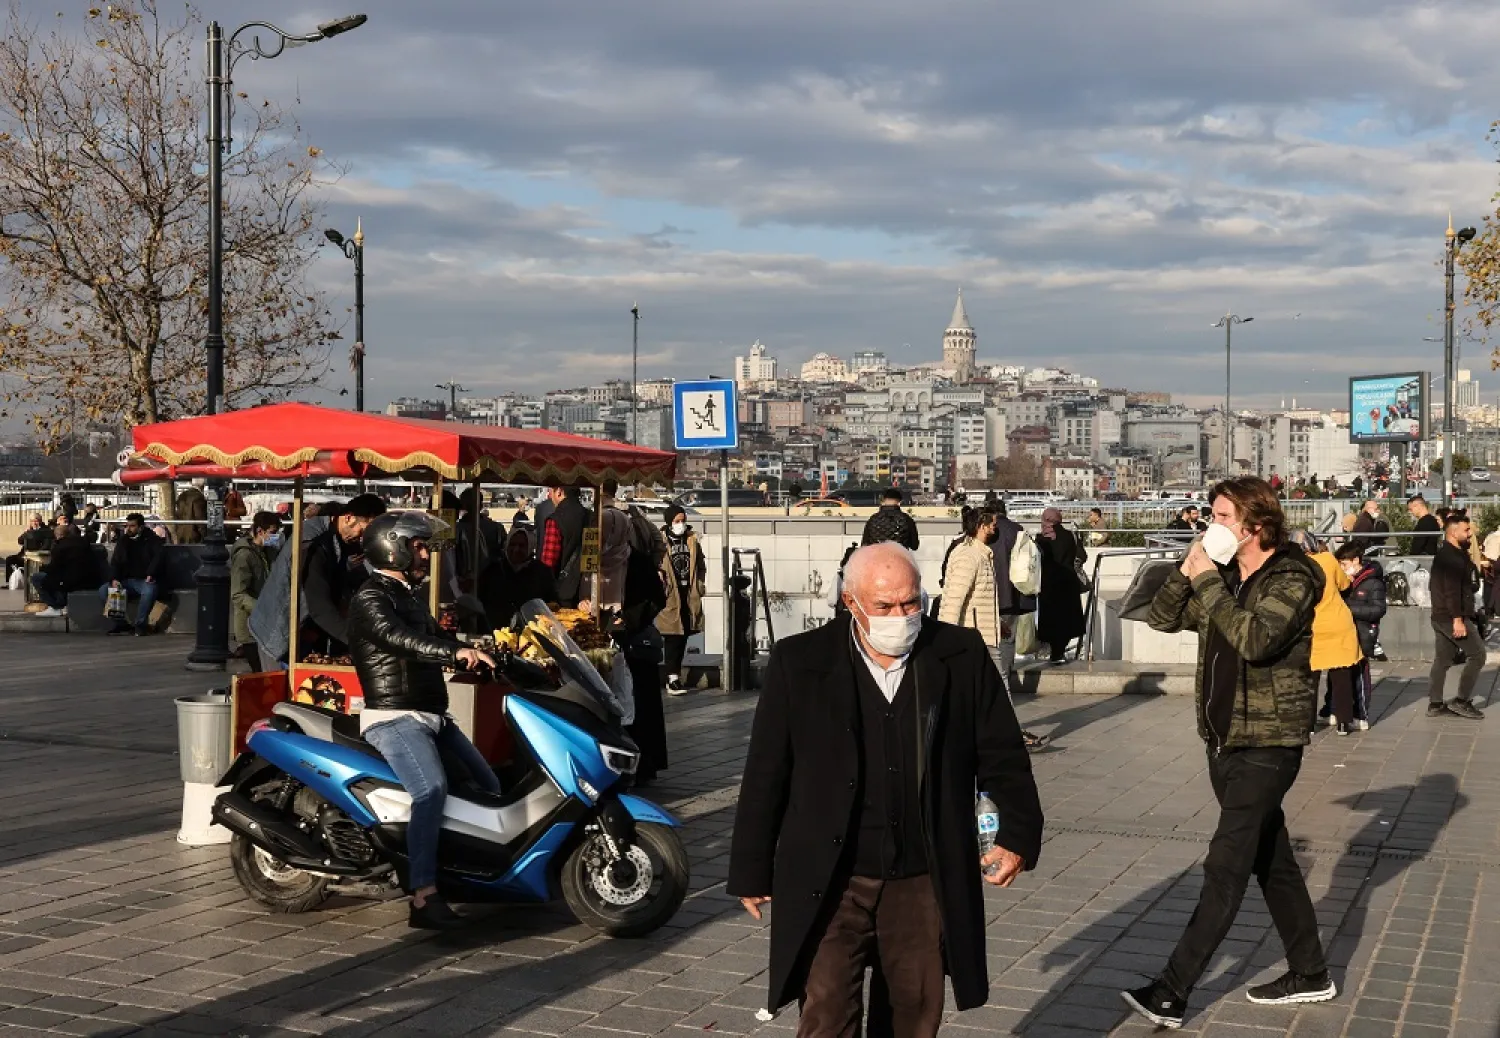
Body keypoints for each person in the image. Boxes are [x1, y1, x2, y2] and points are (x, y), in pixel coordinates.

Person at [727, 542, 1044, 1036]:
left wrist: (1017, 835)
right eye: (884, 606)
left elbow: (1002, 754)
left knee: (913, 1013)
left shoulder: (959, 656)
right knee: (827, 1011)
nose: (901, 615)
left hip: (922, 876)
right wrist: (750, 867)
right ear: (850, 602)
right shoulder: (801, 661)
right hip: (830, 877)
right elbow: (768, 770)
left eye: (910, 602)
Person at [1127, 476, 1333, 1027]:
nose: (1211, 524)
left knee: (1226, 866)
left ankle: (1171, 991)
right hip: (1224, 741)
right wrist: (1190, 566)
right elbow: (1163, 618)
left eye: (1220, 517)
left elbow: (1256, 639)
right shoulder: (1222, 574)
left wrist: (1211, 587)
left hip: (1269, 743)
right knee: (1274, 861)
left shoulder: (1291, 578)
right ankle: (1310, 973)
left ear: (1255, 526)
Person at [348, 511, 501, 930]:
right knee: (430, 789)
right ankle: (422, 894)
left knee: (488, 787)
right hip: (393, 715)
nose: (424, 555)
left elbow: (436, 638)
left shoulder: (409, 596)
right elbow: (399, 639)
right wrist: (453, 654)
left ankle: (467, 872)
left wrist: (482, 649)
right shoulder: (371, 598)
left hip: (432, 714)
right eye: (417, 546)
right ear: (392, 547)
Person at [939, 507, 1045, 750]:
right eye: (992, 524)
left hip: (984, 631)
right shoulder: (969, 556)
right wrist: (947, 637)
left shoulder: (979, 553)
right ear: (981, 526)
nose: (995, 528)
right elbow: (954, 599)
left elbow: (980, 599)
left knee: (988, 686)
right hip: (975, 635)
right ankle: (1009, 735)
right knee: (998, 683)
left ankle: (993, 734)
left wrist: (997, 624)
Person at [1292, 532, 1364, 737]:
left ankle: (1308, 724)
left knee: (1310, 678)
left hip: (1312, 626)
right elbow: (1344, 584)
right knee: (1341, 676)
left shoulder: (1295, 567)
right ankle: (1343, 723)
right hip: (1337, 622)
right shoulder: (1327, 559)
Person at [298, 495, 387, 658]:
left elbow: (353, 582)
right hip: (285, 632)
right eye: (362, 531)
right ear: (348, 518)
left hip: (314, 630)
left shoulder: (342, 541)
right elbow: (319, 605)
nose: (362, 539)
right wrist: (356, 640)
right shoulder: (314, 540)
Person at [1427, 512, 1486, 721]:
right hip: (1450, 616)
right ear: (1453, 532)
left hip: (1441, 615)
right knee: (1478, 655)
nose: (1470, 534)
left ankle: (1435, 703)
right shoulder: (1450, 557)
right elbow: (1450, 591)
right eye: (1466, 530)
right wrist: (1458, 620)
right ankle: (1461, 701)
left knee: (1443, 659)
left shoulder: (1451, 553)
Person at [1336, 541, 1384, 731]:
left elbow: (1378, 609)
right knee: (1341, 676)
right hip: (1344, 634)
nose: (1342, 569)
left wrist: (1348, 609)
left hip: (1363, 633)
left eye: (1344, 565)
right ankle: (1337, 711)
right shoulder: (1346, 582)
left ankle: (1361, 714)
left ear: (1356, 560)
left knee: (1360, 675)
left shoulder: (1373, 582)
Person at [658, 504, 705, 695]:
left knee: (684, 632)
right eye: (677, 521)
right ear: (669, 521)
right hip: (670, 594)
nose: (681, 524)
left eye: (683, 520)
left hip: (689, 592)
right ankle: (672, 678)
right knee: (672, 636)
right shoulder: (660, 541)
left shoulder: (692, 540)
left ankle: (675, 674)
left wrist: (700, 585)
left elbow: (701, 564)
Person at [990, 499, 1036, 693]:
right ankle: (1005, 679)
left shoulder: (985, 531)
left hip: (989, 593)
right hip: (1013, 594)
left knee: (988, 639)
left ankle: (990, 681)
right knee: (1008, 640)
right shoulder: (1017, 529)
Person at [98, 513, 164, 636]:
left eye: (132, 526)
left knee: (149, 591)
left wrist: (151, 574)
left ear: (141, 527)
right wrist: (114, 578)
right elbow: (116, 562)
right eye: (127, 526)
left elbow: (158, 558)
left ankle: (140, 625)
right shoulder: (123, 540)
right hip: (125, 580)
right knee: (103, 591)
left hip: (144, 580)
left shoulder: (152, 539)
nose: (128, 529)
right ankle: (121, 624)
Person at [231, 512, 282, 673]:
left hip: (267, 624)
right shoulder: (244, 555)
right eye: (273, 533)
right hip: (250, 626)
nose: (275, 537)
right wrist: (262, 609)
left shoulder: (269, 552)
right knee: (260, 670)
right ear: (260, 531)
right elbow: (238, 595)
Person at [478, 526, 554, 630]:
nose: (516, 549)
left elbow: (551, 601)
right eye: (512, 544)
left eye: (522, 545)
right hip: (497, 631)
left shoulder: (542, 572)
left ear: (530, 547)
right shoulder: (492, 570)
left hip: (532, 631)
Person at [1036, 507, 1084, 665]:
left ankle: (1054, 652)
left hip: (1049, 585)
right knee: (1066, 619)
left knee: (1051, 619)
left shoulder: (1042, 538)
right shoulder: (1070, 536)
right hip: (1068, 584)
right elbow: (1082, 555)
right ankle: (1060, 651)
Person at [538, 485, 591, 608]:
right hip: (586, 593)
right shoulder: (591, 517)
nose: (550, 496)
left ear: (559, 492)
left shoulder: (555, 520)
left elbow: (548, 565)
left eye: (551, 491)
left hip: (561, 595)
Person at [31, 519, 97, 617]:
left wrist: (43, 569)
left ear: (58, 536)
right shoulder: (83, 543)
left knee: (37, 578)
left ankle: (55, 607)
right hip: (89, 579)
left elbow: (54, 568)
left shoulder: (60, 547)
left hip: (69, 582)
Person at [8, 513, 54, 579]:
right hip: (25, 554)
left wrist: (36, 553)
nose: (34, 523)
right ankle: (10, 582)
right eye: (32, 521)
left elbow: (46, 545)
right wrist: (26, 532)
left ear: (40, 521)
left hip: (37, 555)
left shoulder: (46, 530)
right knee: (10, 560)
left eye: (36, 521)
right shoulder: (29, 530)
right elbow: (20, 541)